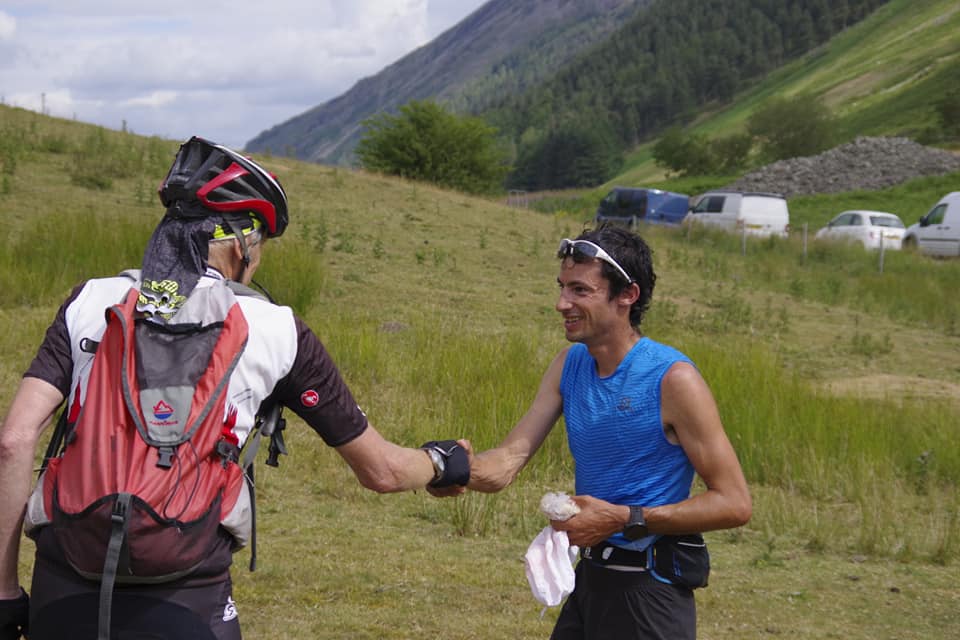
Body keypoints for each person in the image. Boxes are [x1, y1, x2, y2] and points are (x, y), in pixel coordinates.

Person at [0, 136, 468, 640]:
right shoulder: (277, 329)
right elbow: (383, 471)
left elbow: (13, 442)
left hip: (63, 589)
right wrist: (445, 461)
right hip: (186, 600)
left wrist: (4, 595)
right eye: (261, 243)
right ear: (239, 243)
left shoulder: (92, 300)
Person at [452, 225, 752, 639]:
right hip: (589, 581)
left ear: (627, 295)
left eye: (580, 291)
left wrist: (624, 519)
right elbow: (505, 464)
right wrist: (448, 467)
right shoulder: (569, 365)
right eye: (562, 288)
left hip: (650, 595)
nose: (561, 304)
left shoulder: (673, 380)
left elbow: (735, 503)